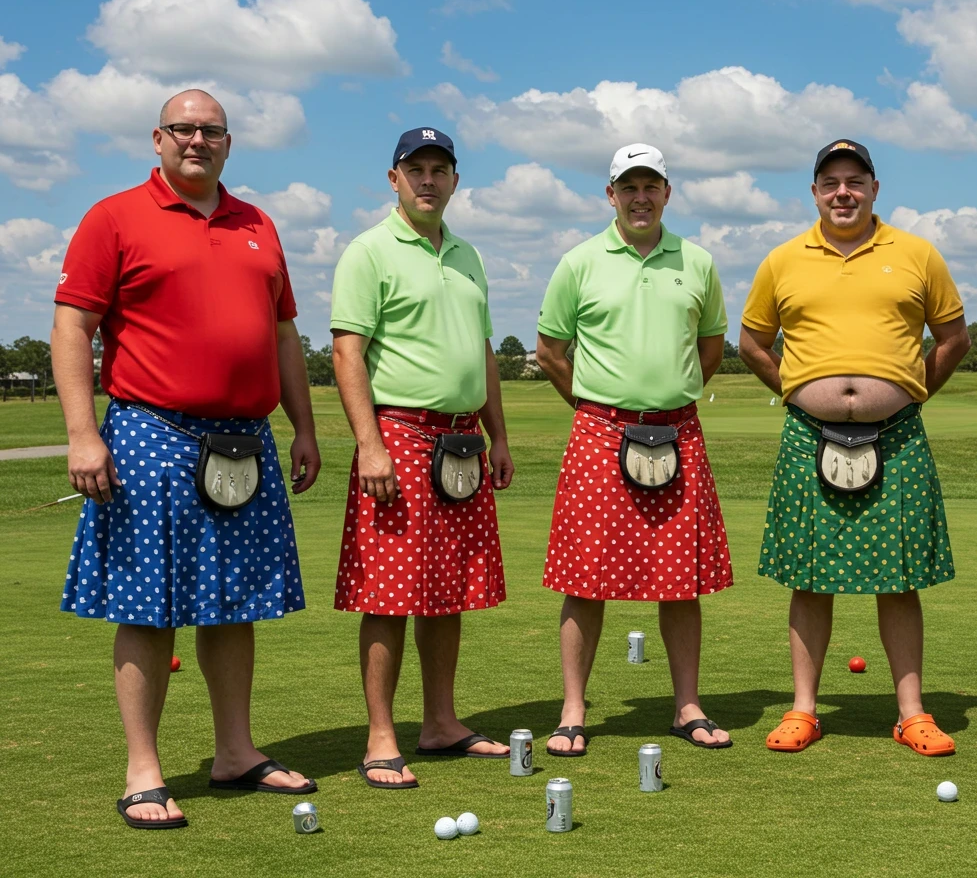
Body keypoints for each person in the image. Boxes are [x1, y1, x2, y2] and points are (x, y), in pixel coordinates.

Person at [53, 90, 320, 829]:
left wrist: (303, 425)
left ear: (228, 142)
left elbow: (284, 335)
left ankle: (235, 752)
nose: (197, 140)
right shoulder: (113, 217)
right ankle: (144, 770)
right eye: (183, 129)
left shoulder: (257, 222)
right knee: (148, 607)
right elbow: (73, 327)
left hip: (246, 439)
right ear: (158, 137)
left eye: (211, 131)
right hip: (151, 433)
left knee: (236, 604)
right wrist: (83, 433)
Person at [739, 140, 971, 755]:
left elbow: (954, 339)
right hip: (808, 435)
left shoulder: (917, 253)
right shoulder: (782, 260)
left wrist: (911, 393)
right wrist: (796, 390)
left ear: (874, 188)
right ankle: (803, 710)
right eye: (831, 182)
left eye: (855, 181)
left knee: (900, 579)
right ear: (815, 192)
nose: (843, 192)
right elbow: (752, 343)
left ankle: (912, 714)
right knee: (809, 577)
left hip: (897, 436)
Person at [536, 144, 734, 756]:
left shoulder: (697, 262)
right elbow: (550, 351)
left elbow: (709, 348)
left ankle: (687, 706)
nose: (640, 197)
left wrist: (665, 399)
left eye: (651, 186)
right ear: (611, 194)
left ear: (667, 193)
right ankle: (573, 709)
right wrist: (595, 408)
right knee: (583, 579)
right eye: (629, 187)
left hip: (678, 430)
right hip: (600, 433)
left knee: (681, 583)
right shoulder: (579, 262)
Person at [330, 127, 513, 788]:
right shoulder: (368, 251)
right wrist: (369, 444)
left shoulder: (467, 255)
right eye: (416, 169)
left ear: (455, 180)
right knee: (389, 595)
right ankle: (381, 736)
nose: (428, 180)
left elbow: (481, 352)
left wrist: (498, 435)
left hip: (463, 439)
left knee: (448, 590)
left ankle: (440, 721)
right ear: (394, 179)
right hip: (400, 437)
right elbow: (347, 351)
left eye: (439, 169)